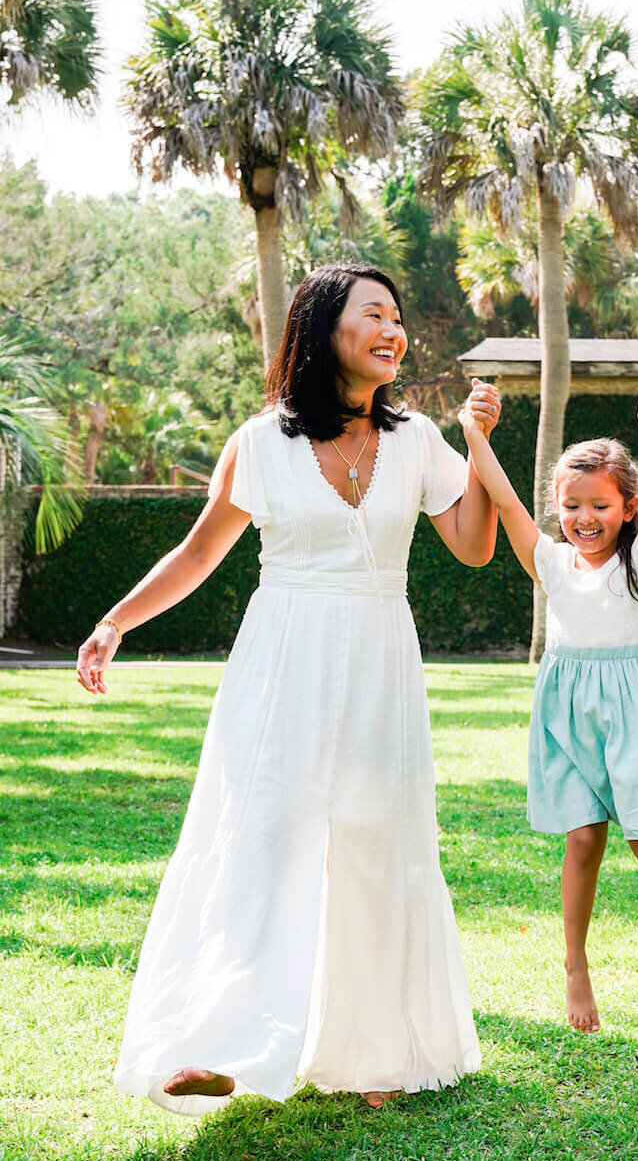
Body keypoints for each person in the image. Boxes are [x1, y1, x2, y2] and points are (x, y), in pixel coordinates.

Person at [75, 263, 501, 1116]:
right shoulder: (259, 441)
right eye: (370, 313)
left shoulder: (417, 438)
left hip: (382, 656)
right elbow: (198, 554)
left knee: (378, 841)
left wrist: (480, 444)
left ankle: (377, 1052)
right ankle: (217, 1044)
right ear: (321, 330)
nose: (392, 329)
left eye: (396, 315)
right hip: (283, 663)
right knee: (264, 838)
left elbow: (474, 546)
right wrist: (116, 621)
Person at [458, 390, 638, 1033]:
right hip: (565, 713)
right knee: (582, 838)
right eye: (572, 506)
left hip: (630, 712)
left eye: (600, 505)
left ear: (625, 509)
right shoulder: (551, 562)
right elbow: (509, 503)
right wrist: (474, 432)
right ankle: (575, 965)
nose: (584, 517)